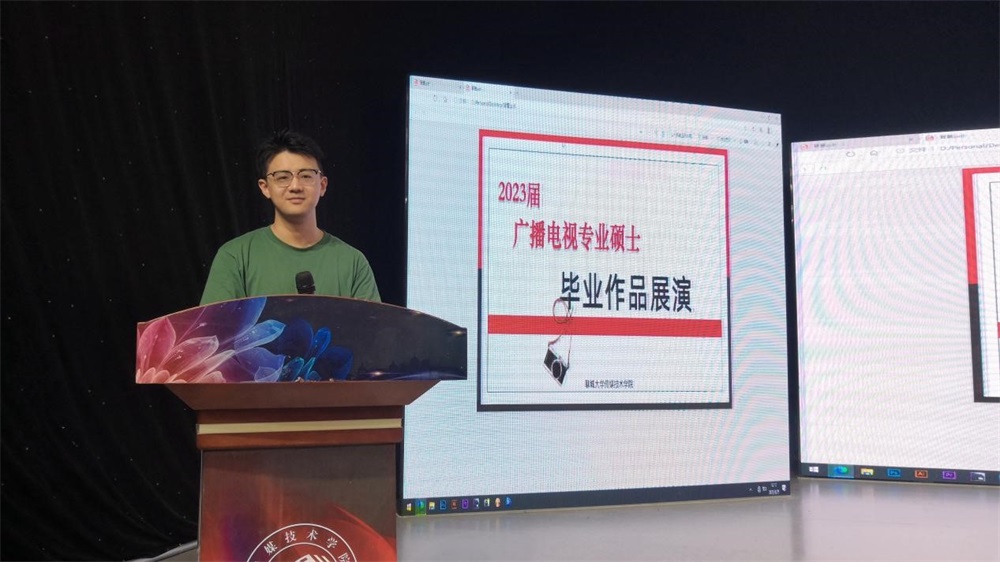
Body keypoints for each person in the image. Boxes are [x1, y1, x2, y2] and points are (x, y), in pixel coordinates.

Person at [200, 129, 381, 305]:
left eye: (306, 176)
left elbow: (371, 325)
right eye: (282, 177)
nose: (295, 186)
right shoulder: (235, 257)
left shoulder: (353, 262)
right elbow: (213, 325)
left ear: (323, 185)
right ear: (265, 187)